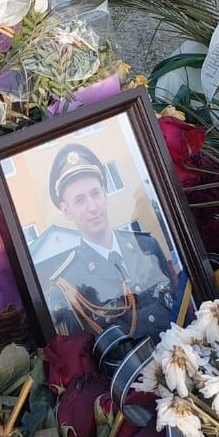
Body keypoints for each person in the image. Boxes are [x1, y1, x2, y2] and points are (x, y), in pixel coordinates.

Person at [35, 143, 179, 338]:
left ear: (105, 194)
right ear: (66, 210)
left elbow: (181, 307)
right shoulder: (68, 285)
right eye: (80, 200)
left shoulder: (147, 246)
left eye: (95, 193)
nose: (92, 207)